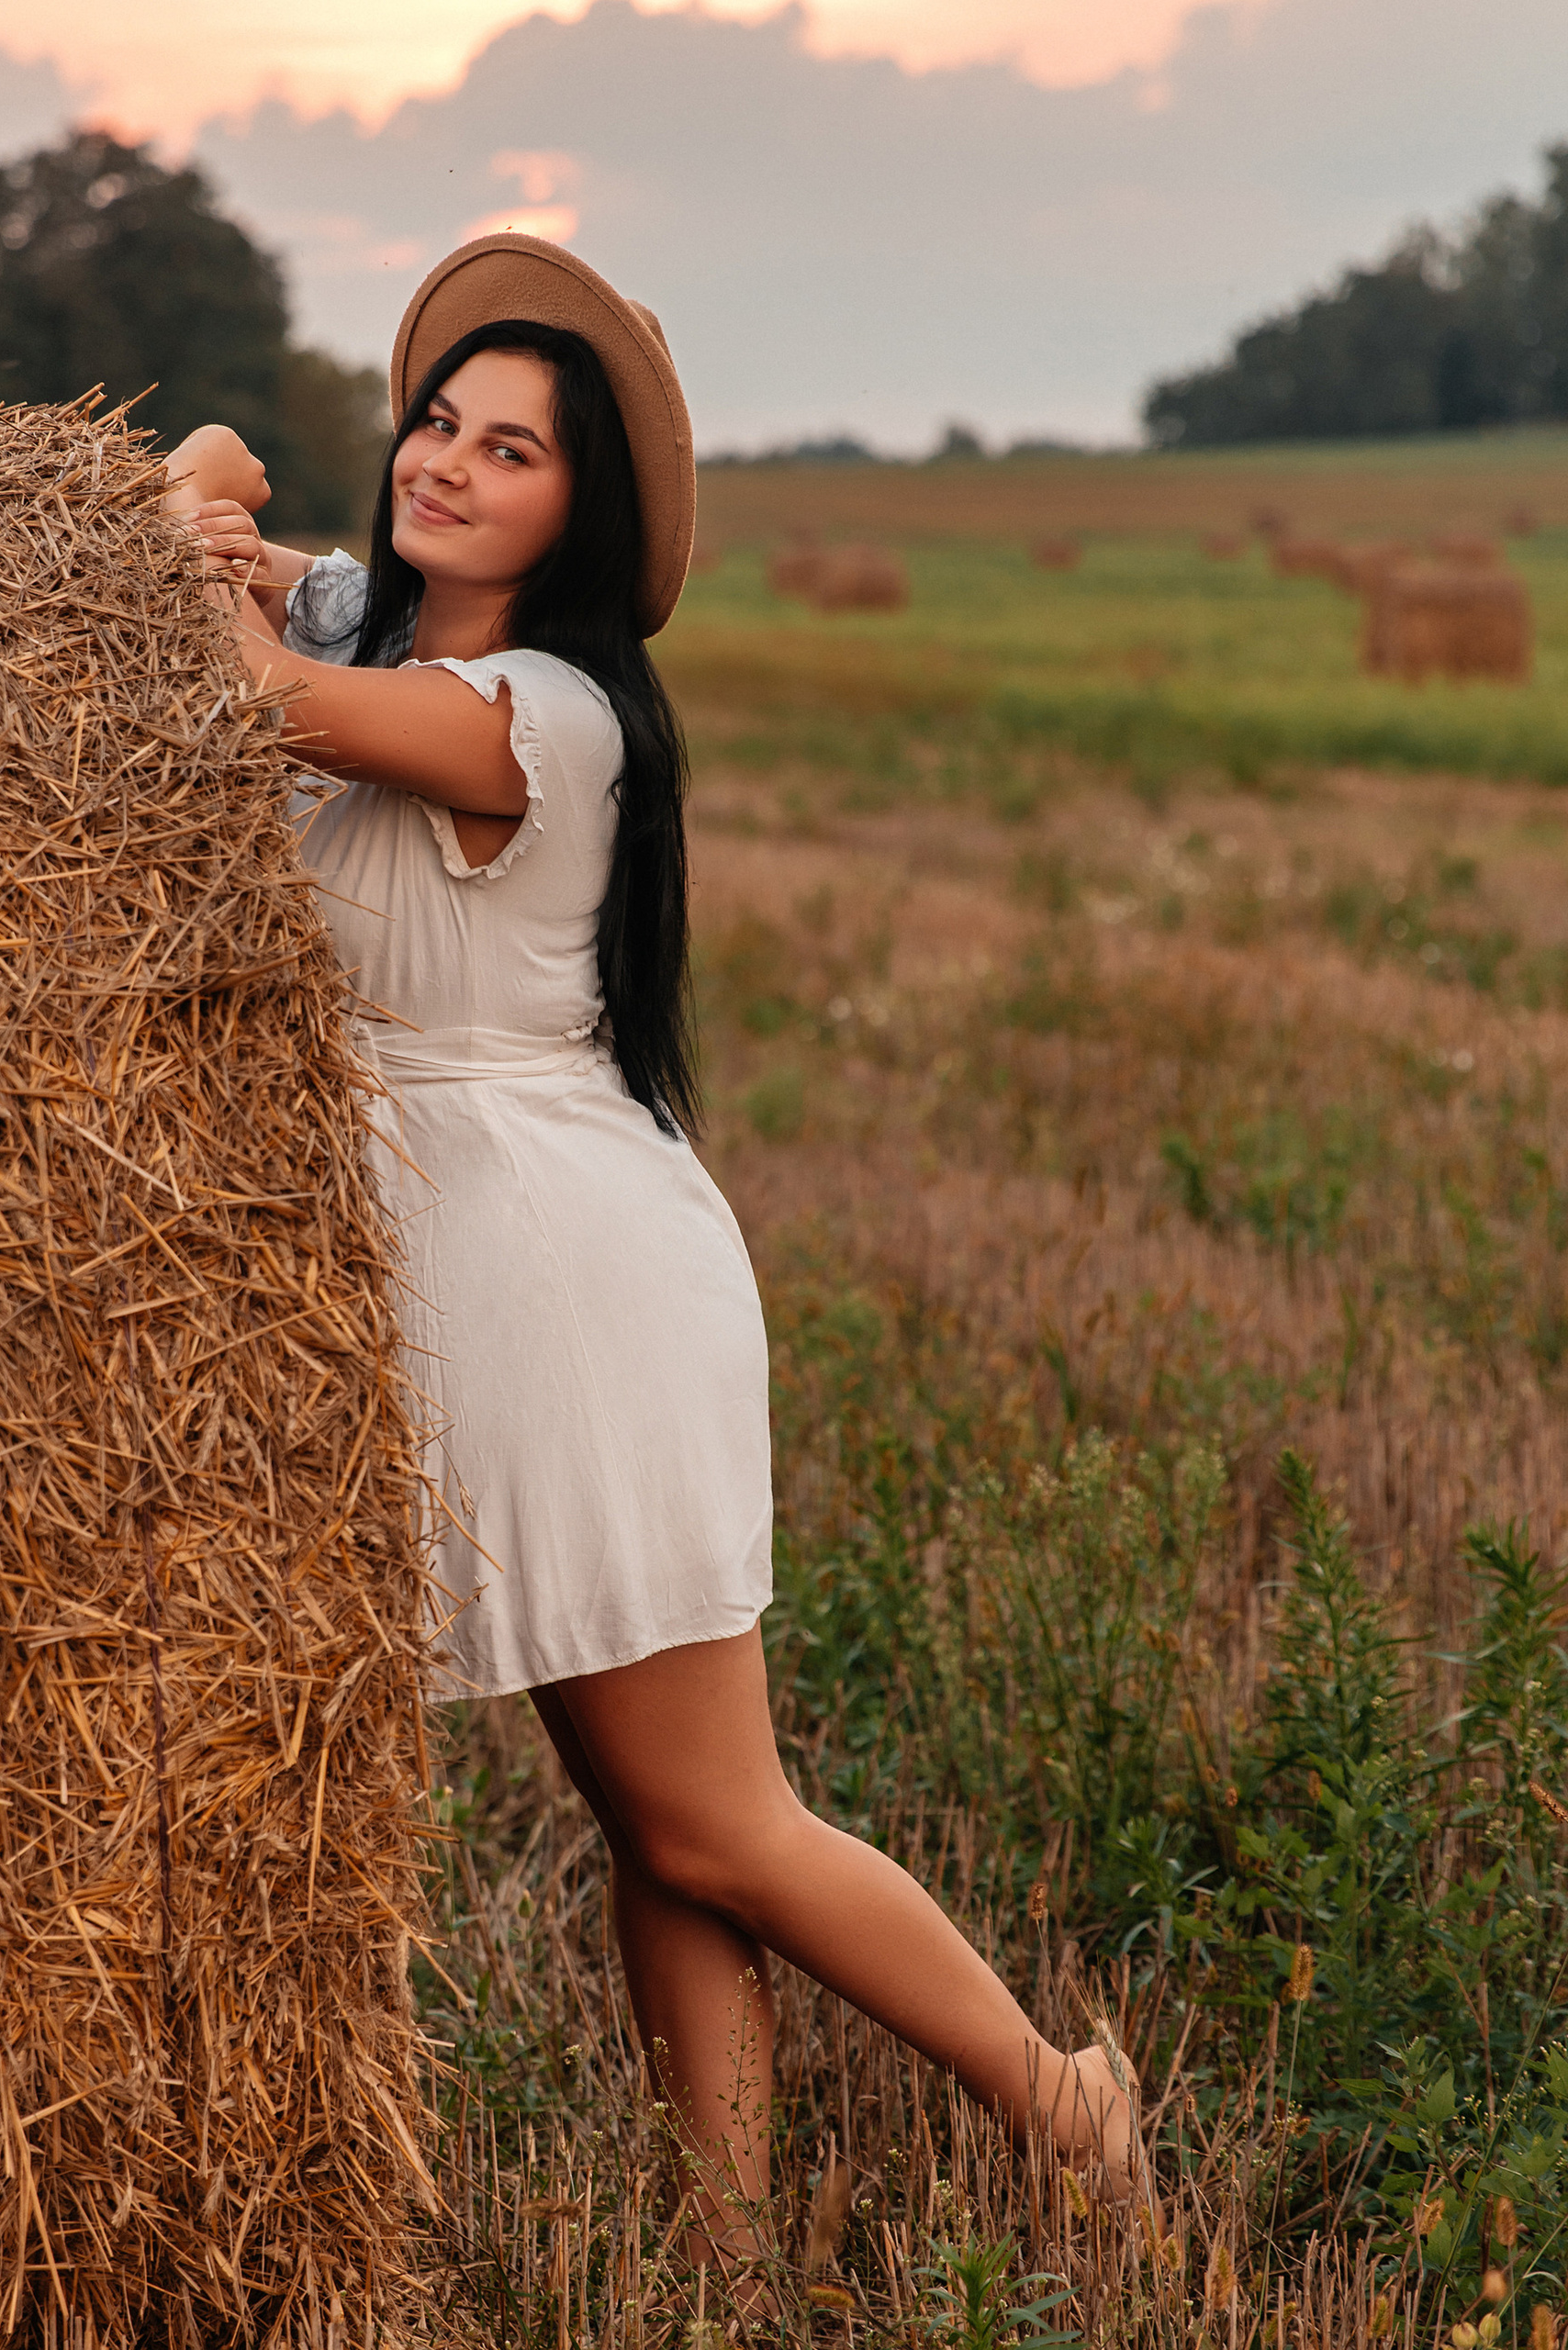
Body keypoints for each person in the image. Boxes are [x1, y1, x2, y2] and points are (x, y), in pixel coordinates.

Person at [162, 235, 1137, 2278]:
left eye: (508, 451)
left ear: (573, 511)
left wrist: (204, 568)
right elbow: (221, 461)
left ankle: (1058, 2100)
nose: (446, 461)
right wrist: (208, 506)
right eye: (437, 416)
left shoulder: (546, 716)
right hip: (447, 1257)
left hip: (556, 1271)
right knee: (652, 1819)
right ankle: (725, 2262)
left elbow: (251, 690)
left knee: (715, 1817)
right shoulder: (369, 619)